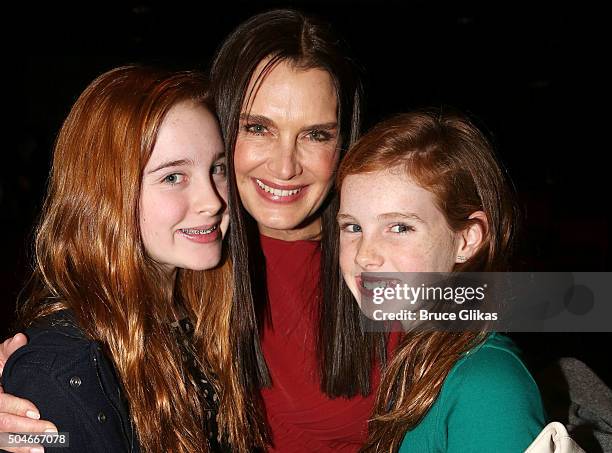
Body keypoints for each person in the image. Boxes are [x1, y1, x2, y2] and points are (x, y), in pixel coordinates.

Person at [0, 10, 389, 452]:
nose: (285, 166)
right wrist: (35, 389)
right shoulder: (197, 251)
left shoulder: (378, 260)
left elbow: (480, 311)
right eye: (257, 128)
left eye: (316, 134)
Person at [0, 65, 266, 453]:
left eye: (217, 168)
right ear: (107, 194)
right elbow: (41, 432)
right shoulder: (61, 370)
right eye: (173, 176)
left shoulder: (203, 309)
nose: (213, 201)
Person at [336, 110, 546, 452]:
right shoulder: (416, 359)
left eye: (400, 227)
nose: (364, 255)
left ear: (466, 240)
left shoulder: (486, 384)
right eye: (353, 227)